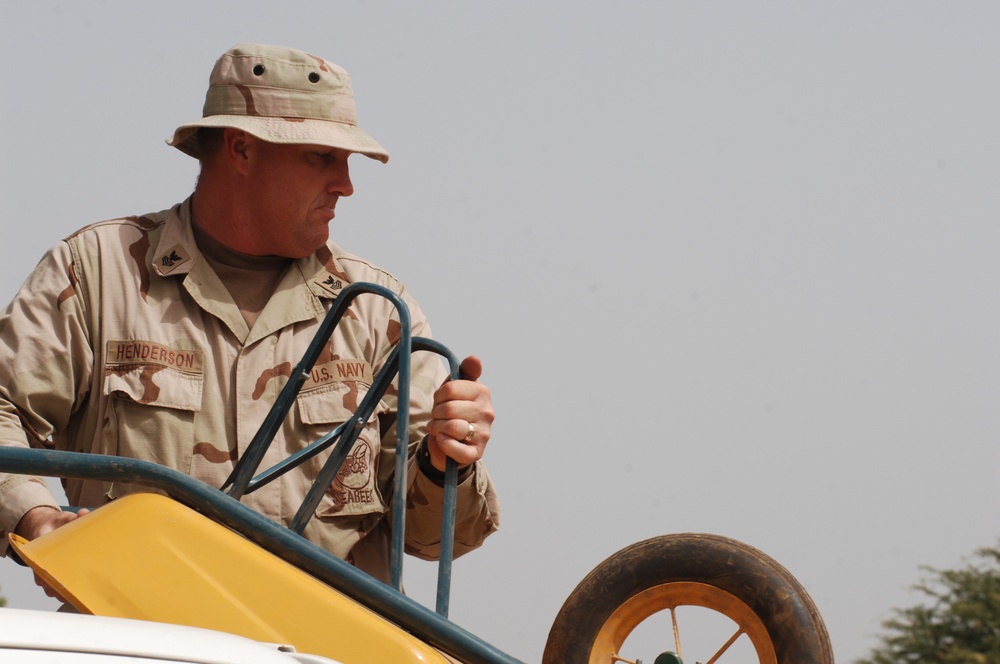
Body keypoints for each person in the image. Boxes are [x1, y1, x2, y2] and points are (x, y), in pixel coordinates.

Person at [0, 43, 499, 587]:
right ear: (241, 149)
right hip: (151, 635)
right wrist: (35, 516)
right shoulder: (99, 274)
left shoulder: (376, 312)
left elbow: (438, 539)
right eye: (320, 157)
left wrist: (446, 457)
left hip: (328, 642)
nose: (346, 184)